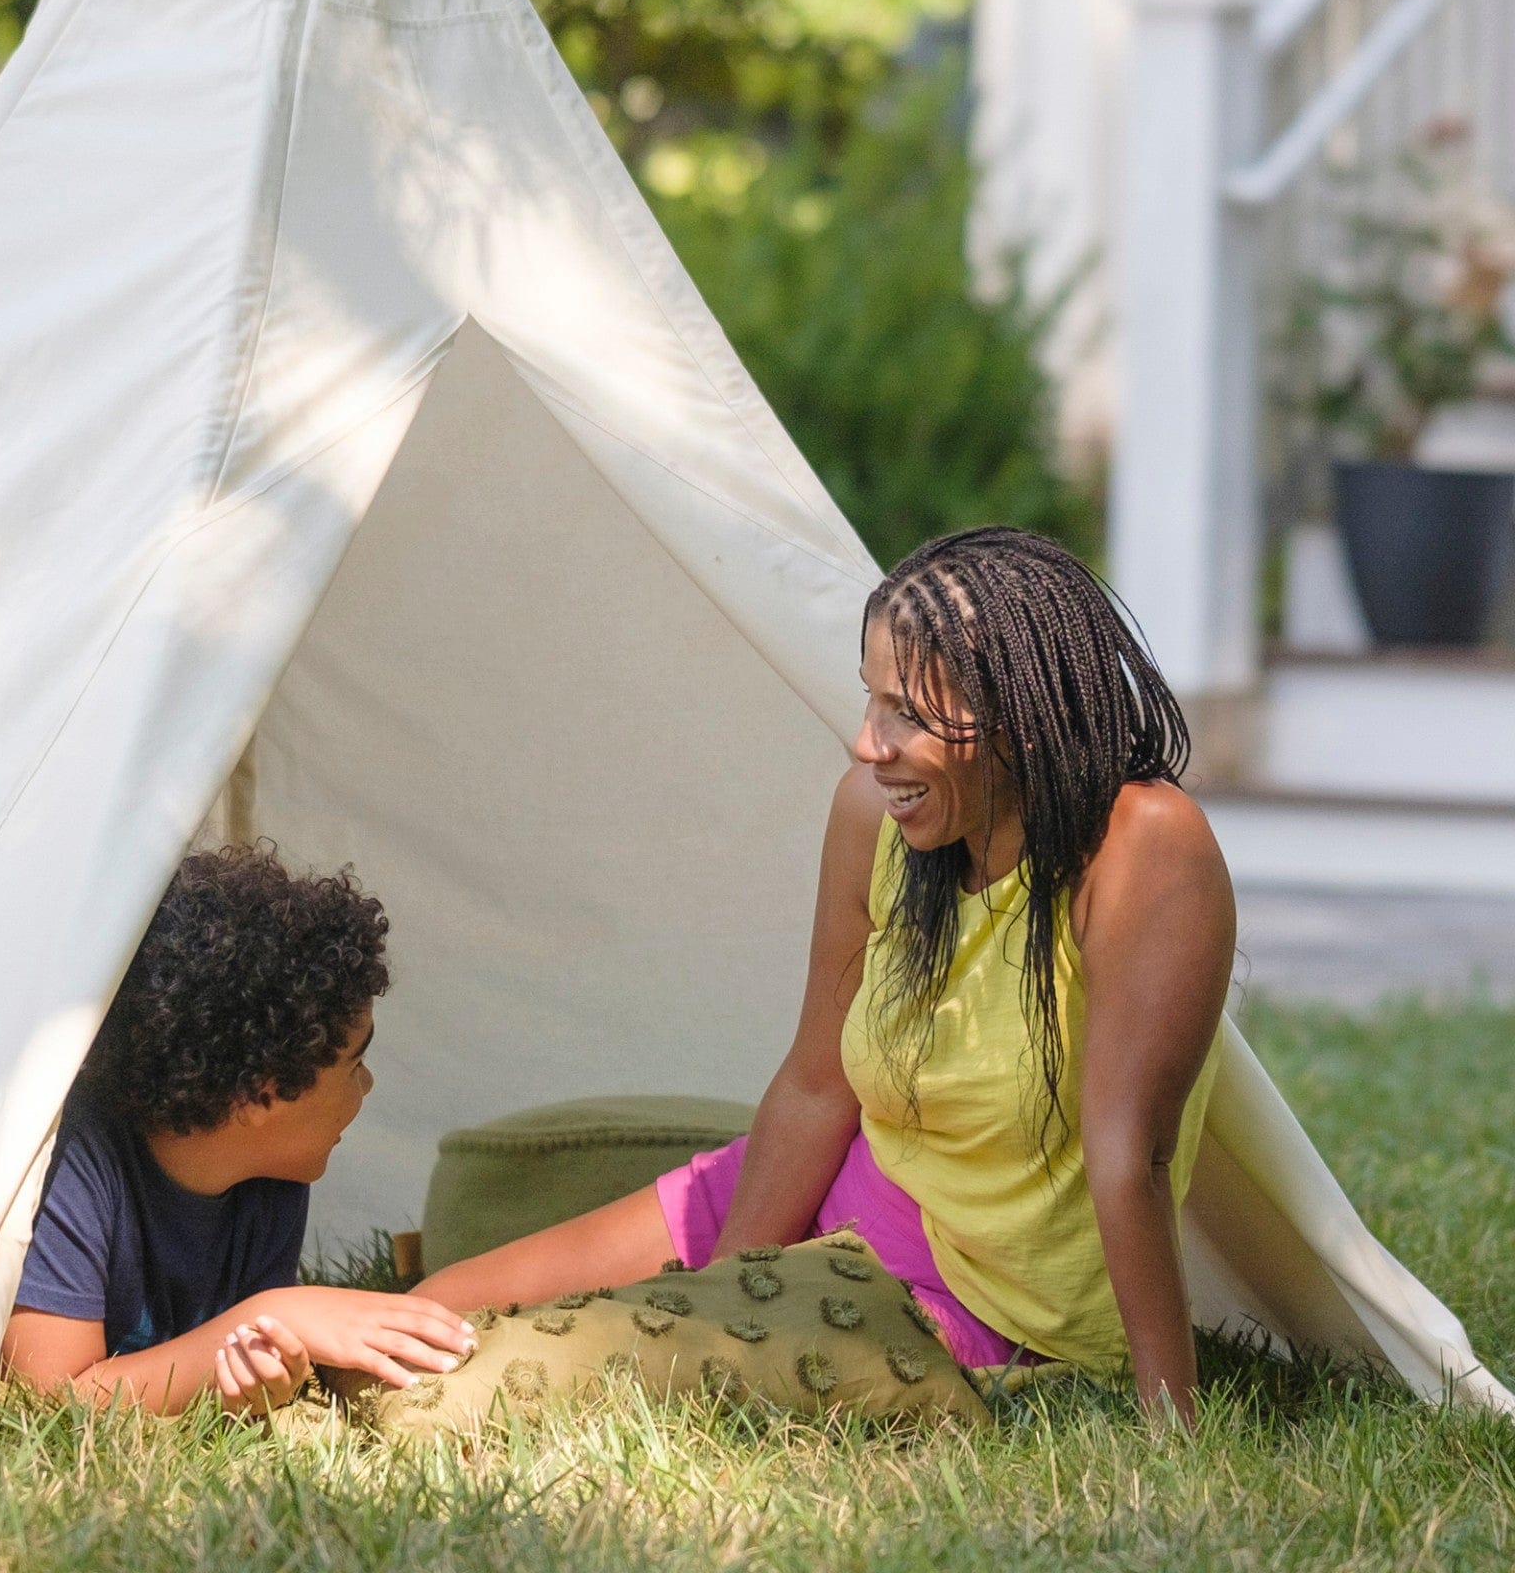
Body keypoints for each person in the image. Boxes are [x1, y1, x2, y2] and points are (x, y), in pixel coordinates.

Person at [416, 527, 1236, 1427]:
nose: (865, 744)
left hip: (978, 1300)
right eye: (869, 701)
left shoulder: (1143, 849)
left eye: (907, 714)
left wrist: (1173, 1422)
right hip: (839, 1185)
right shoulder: (873, 818)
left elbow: (1134, 1156)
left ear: (1021, 720)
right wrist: (726, 1289)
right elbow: (816, 1084)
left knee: (493, 1390)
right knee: (436, 1314)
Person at [1, 845, 477, 1414]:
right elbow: (56, 1398)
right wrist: (278, 1312)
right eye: (354, 1065)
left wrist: (263, 1369)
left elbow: (227, 1364)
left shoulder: (272, 1178)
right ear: (261, 1094)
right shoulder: (72, 1161)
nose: (367, 1085)